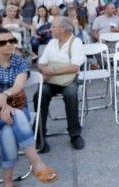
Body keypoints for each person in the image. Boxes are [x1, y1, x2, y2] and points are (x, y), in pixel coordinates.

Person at [0, 28, 58, 186]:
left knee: (9, 128)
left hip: (16, 105)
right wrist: (5, 108)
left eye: (12, 41)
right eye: (3, 42)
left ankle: (8, 182)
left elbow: (18, 86)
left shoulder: (20, 62)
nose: (9, 44)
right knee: (16, 116)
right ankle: (37, 163)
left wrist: (4, 98)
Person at [34, 17, 86, 153]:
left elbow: (75, 67)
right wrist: (42, 68)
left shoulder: (76, 42)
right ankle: (39, 134)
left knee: (70, 94)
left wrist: (52, 71)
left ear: (62, 29)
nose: (51, 29)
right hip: (51, 81)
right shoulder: (51, 42)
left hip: (68, 80)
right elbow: (41, 62)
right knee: (40, 94)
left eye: (53, 26)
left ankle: (75, 134)